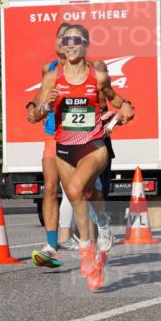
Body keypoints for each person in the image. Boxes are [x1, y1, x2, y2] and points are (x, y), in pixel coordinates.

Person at [28, 24, 131, 288]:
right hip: (64, 146)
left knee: (74, 190)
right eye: (66, 39)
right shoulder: (52, 78)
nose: (70, 44)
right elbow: (33, 114)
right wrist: (45, 105)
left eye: (77, 39)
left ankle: (86, 246)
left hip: (94, 144)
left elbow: (116, 99)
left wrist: (127, 108)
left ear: (86, 45)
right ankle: (93, 246)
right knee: (82, 196)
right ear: (61, 45)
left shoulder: (98, 76)